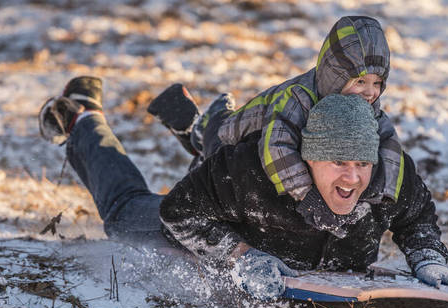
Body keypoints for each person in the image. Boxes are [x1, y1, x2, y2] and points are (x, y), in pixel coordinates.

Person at [39, 77, 448, 302]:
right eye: (338, 162)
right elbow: (180, 213)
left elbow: (416, 215)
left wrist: (427, 257)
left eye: (361, 163)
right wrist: (241, 256)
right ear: (308, 158)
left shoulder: (388, 177)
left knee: (212, 163)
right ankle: (83, 119)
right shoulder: (257, 174)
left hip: (221, 176)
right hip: (216, 213)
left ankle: (202, 133)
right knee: (122, 213)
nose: (352, 178)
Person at [149, 16, 406, 234]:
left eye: (377, 83)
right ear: (334, 74)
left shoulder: (364, 107)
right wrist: (307, 196)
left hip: (257, 139)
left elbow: (389, 142)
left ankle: (194, 130)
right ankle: (206, 120)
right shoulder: (297, 98)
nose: (369, 93)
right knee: (209, 153)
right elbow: (277, 148)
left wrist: (380, 193)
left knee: (201, 147)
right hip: (237, 137)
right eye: (360, 82)